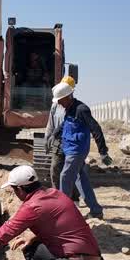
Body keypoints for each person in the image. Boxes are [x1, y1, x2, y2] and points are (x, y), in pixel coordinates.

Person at [53, 81, 110, 219]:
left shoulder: (81, 109)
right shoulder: (69, 109)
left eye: (60, 100)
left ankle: (62, 213)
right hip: (70, 149)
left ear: (68, 97)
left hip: (77, 151)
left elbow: (96, 129)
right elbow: (67, 125)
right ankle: (96, 211)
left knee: (65, 177)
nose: (59, 103)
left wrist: (102, 151)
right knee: (80, 179)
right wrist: (55, 133)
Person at [44, 75, 80, 203]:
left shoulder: (75, 107)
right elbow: (51, 123)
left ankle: (74, 198)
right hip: (58, 140)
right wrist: (47, 138)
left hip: (71, 142)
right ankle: (57, 199)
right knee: (55, 169)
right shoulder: (55, 105)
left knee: (71, 173)